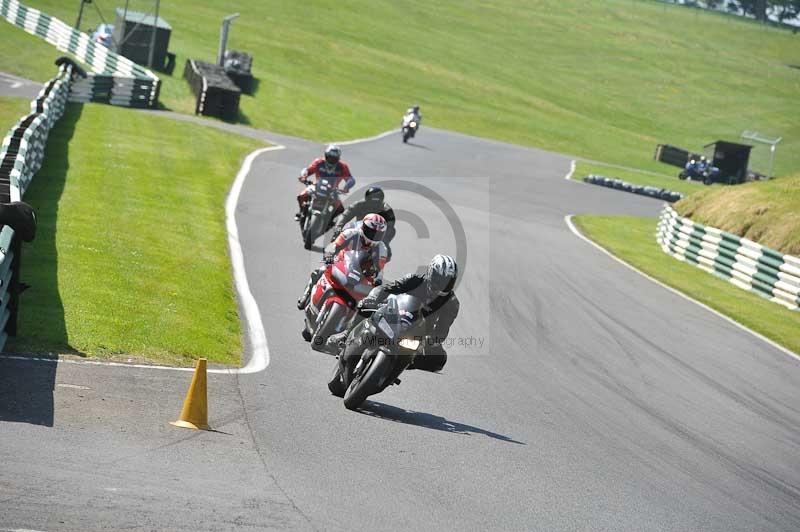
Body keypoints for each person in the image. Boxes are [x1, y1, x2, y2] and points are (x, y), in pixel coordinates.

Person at [332, 254, 460, 372]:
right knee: (364, 306)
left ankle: (402, 363)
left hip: (417, 332)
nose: (441, 287)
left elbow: (442, 329)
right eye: (439, 281)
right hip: (395, 315)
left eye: (447, 283)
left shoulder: (451, 303)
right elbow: (385, 289)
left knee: (439, 359)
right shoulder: (415, 280)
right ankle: (346, 334)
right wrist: (372, 299)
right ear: (431, 274)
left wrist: (430, 340)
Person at [297, 213, 389, 310]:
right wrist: (329, 255)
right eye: (371, 232)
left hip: (363, 274)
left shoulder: (382, 249)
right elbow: (334, 245)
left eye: (377, 234)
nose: (373, 237)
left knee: (370, 300)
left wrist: (378, 280)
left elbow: (380, 268)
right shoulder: (350, 233)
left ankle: (352, 321)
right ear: (363, 227)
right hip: (341, 262)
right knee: (320, 270)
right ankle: (306, 295)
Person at [295, 144, 355, 222]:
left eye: (334, 158)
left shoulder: (343, 167)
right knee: (301, 196)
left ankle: (330, 221)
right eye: (330, 157)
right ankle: (301, 212)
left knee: (340, 209)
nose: (331, 159)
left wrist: (346, 187)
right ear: (326, 155)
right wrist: (304, 176)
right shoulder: (318, 162)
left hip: (333, 191)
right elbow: (307, 170)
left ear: (338, 158)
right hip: (316, 186)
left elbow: (350, 179)